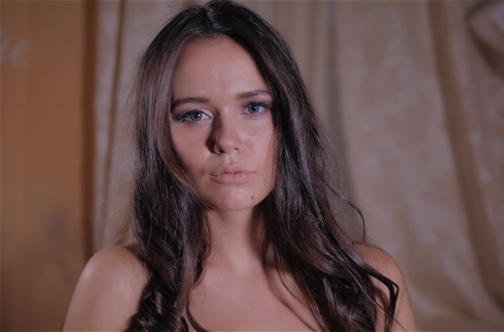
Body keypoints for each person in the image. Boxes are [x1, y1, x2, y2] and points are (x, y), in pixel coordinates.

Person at [63, 0, 416, 331]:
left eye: (253, 108)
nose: (227, 140)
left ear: (288, 121)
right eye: (195, 114)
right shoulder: (119, 282)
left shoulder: (371, 281)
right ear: (159, 134)